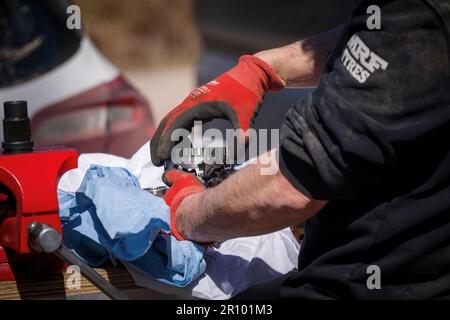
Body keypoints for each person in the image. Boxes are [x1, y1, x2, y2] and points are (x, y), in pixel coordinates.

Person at [150, 0, 450, 299]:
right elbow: (380, 34)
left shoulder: (418, 13)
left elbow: (289, 187)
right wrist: (265, 68)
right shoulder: (413, 17)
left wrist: (187, 215)